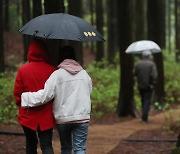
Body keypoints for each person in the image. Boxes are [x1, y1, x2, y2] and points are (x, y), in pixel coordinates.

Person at [21, 45, 92, 154]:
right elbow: (89, 92)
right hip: (82, 117)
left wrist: (25, 97)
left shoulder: (57, 75)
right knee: (80, 149)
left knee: (66, 148)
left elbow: (45, 96)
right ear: (74, 57)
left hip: (63, 119)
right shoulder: (84, 75)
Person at [14, 40, 55, 154]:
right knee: (46, 145)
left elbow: (17, 92)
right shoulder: (52, 70)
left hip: (28, 114)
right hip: (46, 115)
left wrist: (21, 105)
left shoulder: (22, 70)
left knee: (30, 143)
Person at [134, 50, 158, 123]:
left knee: (143, 100)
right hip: (148, 86)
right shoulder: (152, 64)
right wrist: (153, 84)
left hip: (140, 85)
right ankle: (144, 118)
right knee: (147, 101)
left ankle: (143, 117)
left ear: (143, 56)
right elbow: (155, 75)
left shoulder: (138, 64)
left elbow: (135, 73)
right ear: (149, 56)